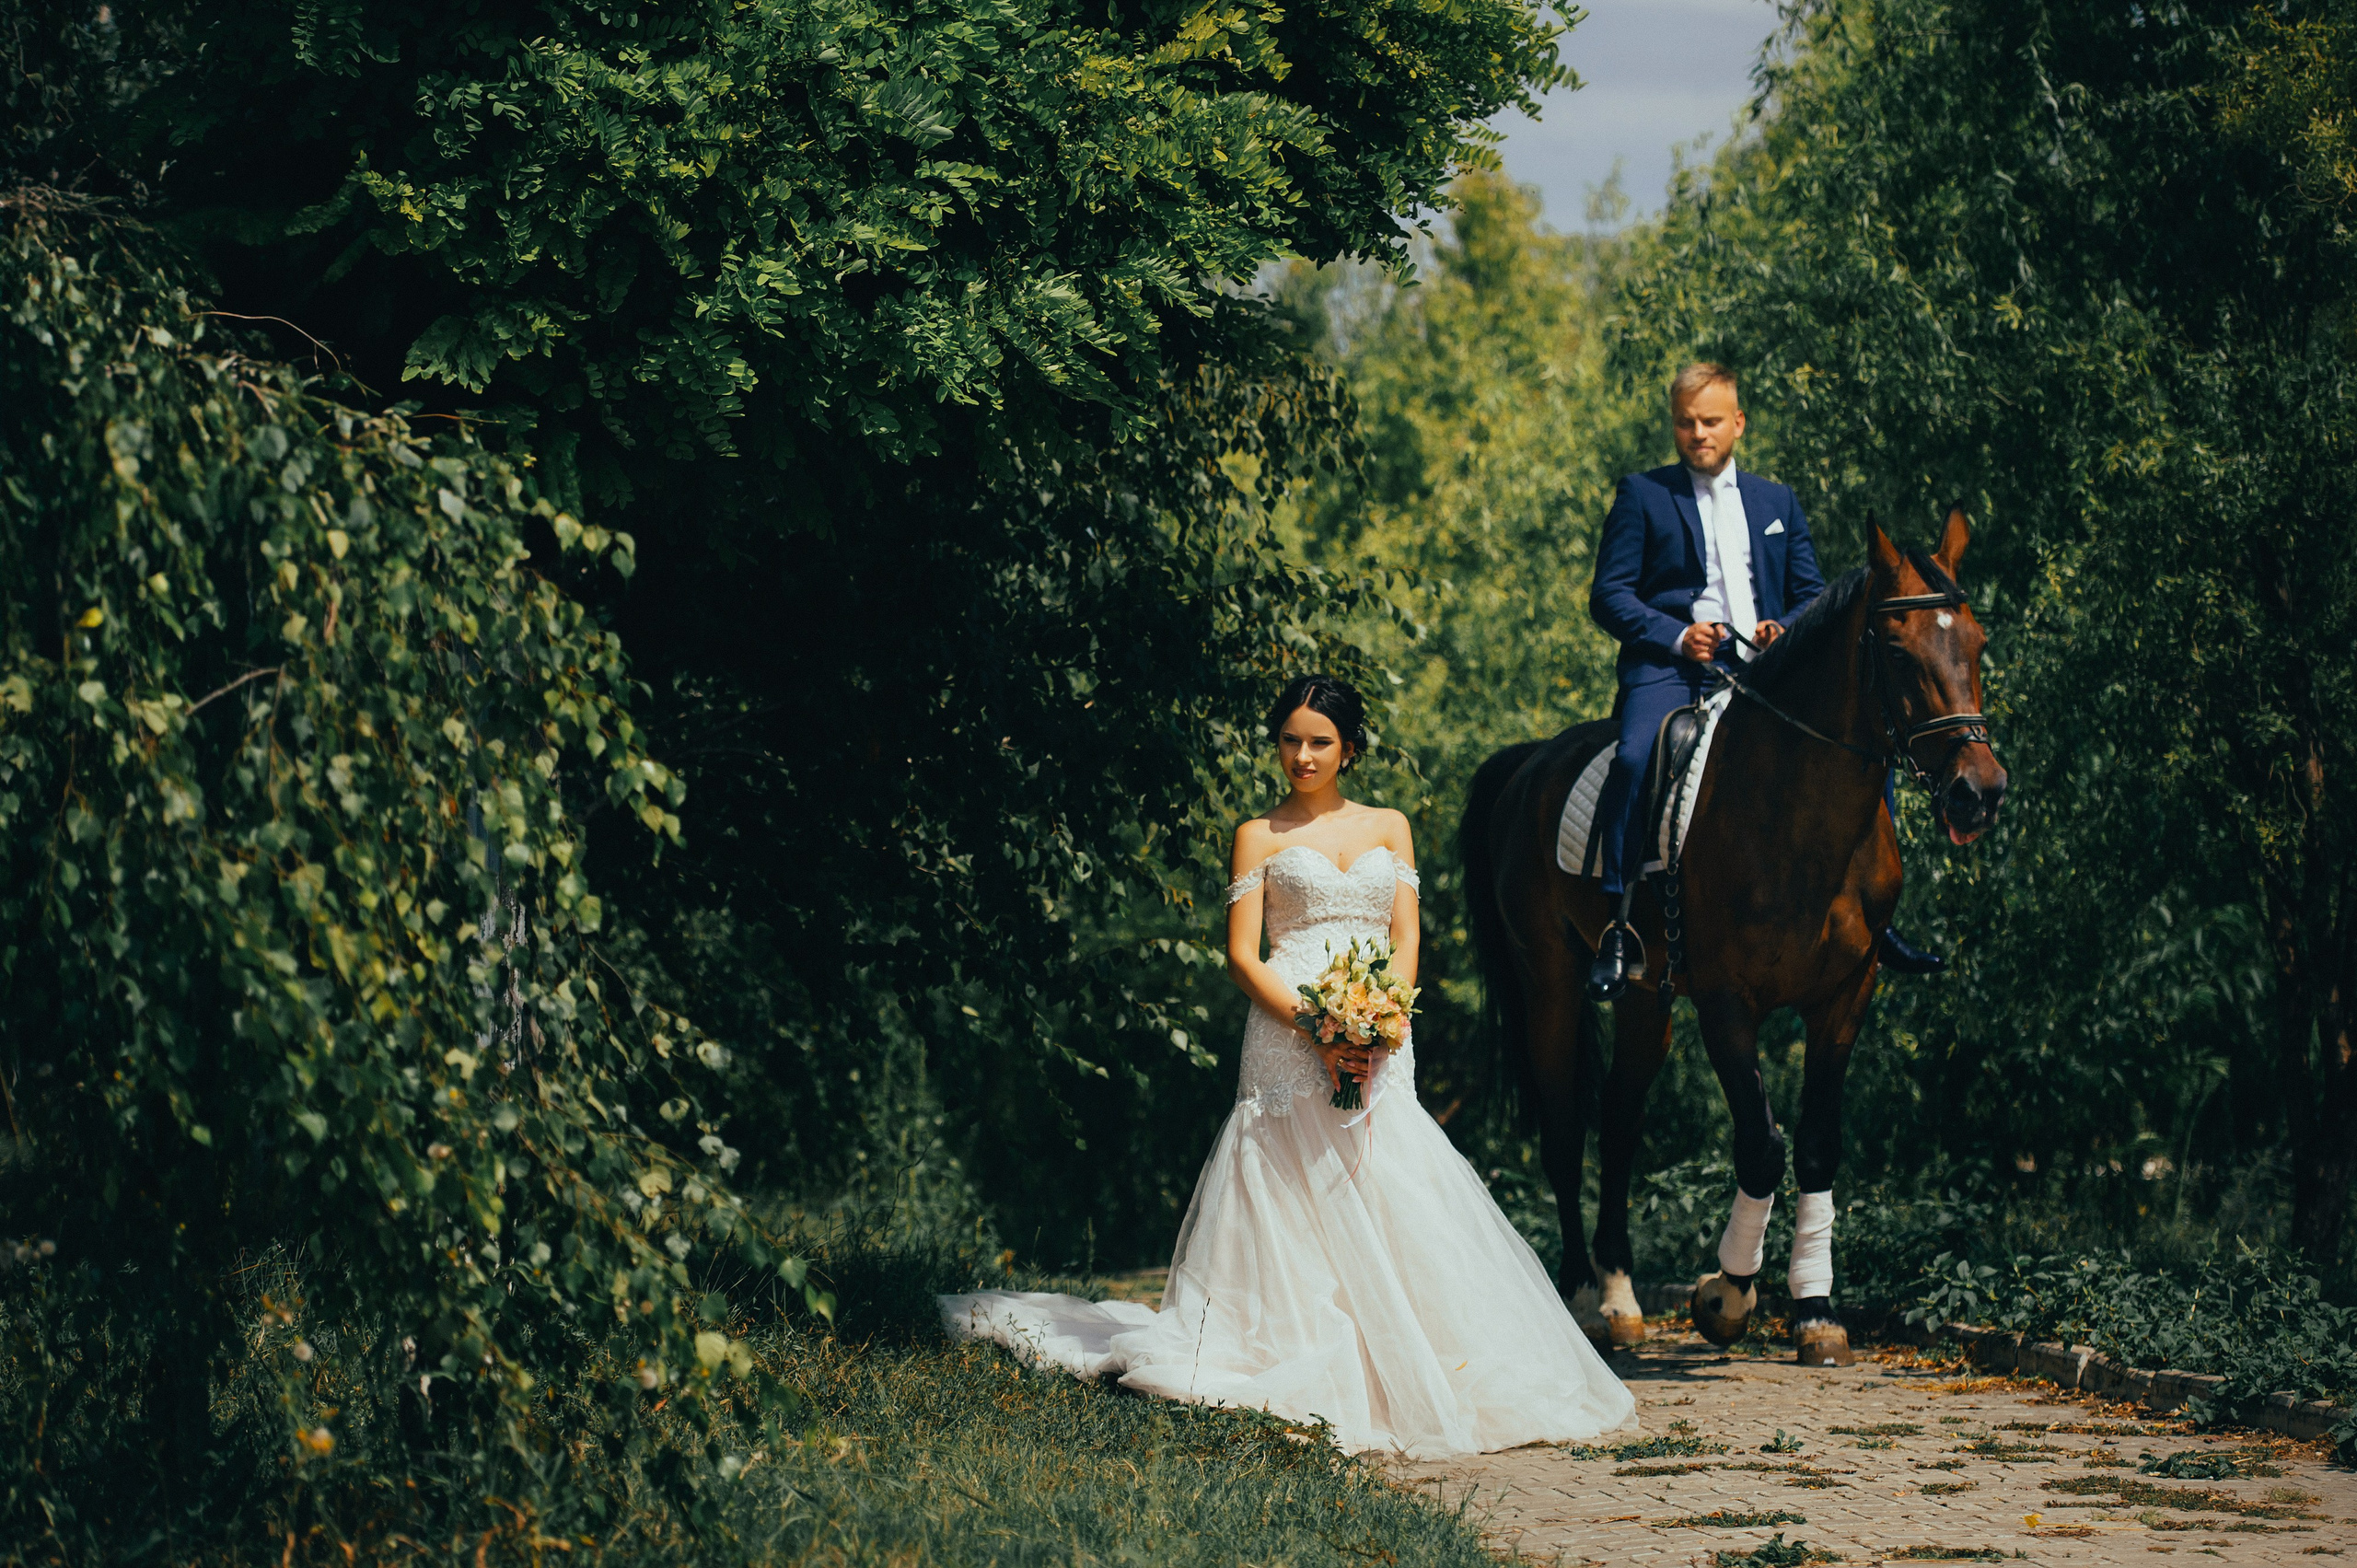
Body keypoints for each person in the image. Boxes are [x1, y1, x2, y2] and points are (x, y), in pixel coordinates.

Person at [941, 674, 1635, 1458]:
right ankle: (1291, 1345)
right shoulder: (1258, 833)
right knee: (1288, 1177)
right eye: (1290, 739)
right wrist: (1316, 1022)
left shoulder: (1390, 825)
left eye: (1320, 741)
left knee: (1384, 1172)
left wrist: (1385, 1015)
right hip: (1284, 1028)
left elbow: (1406, 935)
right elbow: (1242, 953)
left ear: (1350, 747)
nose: (1302, 755)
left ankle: (1408, 1357)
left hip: (1379, 1032)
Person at [1584, 363, 1943, 1001]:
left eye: (1711, 421)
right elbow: (1608, 594)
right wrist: (1674, 634)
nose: (1698, 433)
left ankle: (1878, 919)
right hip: (1671, 667)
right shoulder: (1642, 494)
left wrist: (1788, 628)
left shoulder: (1777, 501)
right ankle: (1618, 921)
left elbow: (1810, 593)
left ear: (1738, 424)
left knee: (1867, 746)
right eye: (1686, 423)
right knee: (1637, 755)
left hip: (1767, 670)